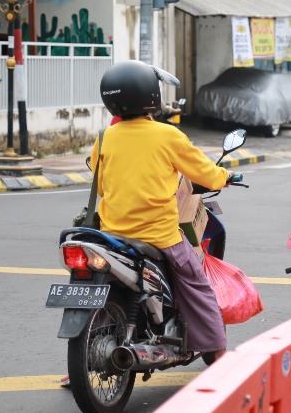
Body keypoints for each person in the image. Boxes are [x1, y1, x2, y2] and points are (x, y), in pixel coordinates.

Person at [61, 60, 233, 387]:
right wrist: (225, 176)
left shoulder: (105, 137)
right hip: (159, 236)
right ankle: (218, 356)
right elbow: (207, 174)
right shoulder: (168, 135)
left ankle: (77, 369)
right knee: (197, 286)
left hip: (109, 236)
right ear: (151, 96)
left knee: (97, 289)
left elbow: (98, 176)